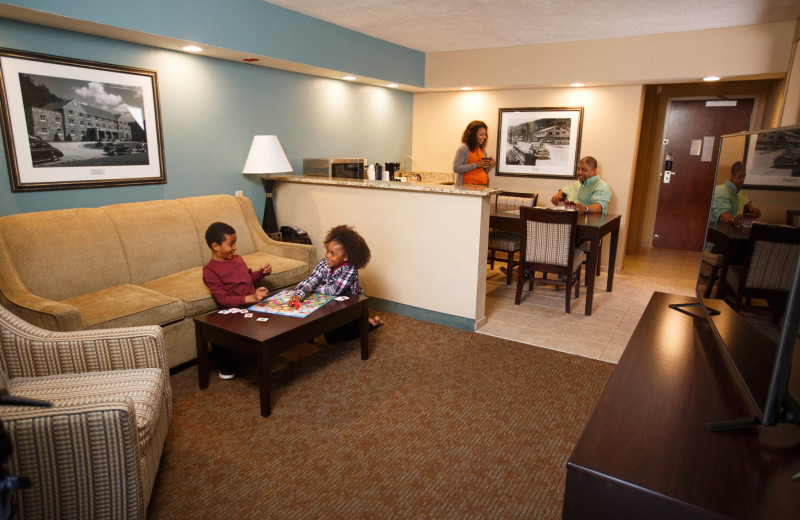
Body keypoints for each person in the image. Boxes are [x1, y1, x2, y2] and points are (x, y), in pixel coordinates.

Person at [289, 225, 383, 341]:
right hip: (331, 305)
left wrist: (309, 289)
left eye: (333, 253)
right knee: (321, 326)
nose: (328, 255)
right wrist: (299, 294)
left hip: (351, 306)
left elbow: (333, 291)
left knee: (332, 338)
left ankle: (369, 324)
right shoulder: (325, 262)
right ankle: (366, 320)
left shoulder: (350, 269)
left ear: (346, 257)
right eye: (327, 251)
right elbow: (312, 278)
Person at [203, 221, 272, 379]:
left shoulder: (237, 259)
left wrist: (262, 273)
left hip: (252, 307)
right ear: (215, 246)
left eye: (235, 243)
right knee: (221, 330)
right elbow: (223, 298)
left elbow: (248, 277)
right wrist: (251, 297)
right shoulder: (210, 271)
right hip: (232, 311)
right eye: (231, 244)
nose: (235, 247)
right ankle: (225, 365)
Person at [709, 161, 762, 225]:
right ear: (732, 175)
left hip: (733, 231)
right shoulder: (721, 190)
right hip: (718, 232)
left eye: (744, 177)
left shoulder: (739, 194)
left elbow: (750, 207)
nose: (742, 180)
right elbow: (721, 216)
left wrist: (755, 212)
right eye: (740, 177)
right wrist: (733, 219)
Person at [452, 120, 495, 186]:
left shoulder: (483, 151)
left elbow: (482, 171)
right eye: (481, 135)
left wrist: (489, 165)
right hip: (467, 187)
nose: (484, 137)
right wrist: (475, 165)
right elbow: (456, 168)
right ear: (472, 135)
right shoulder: (464, 148)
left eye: (485, 135)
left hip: (482, 187)